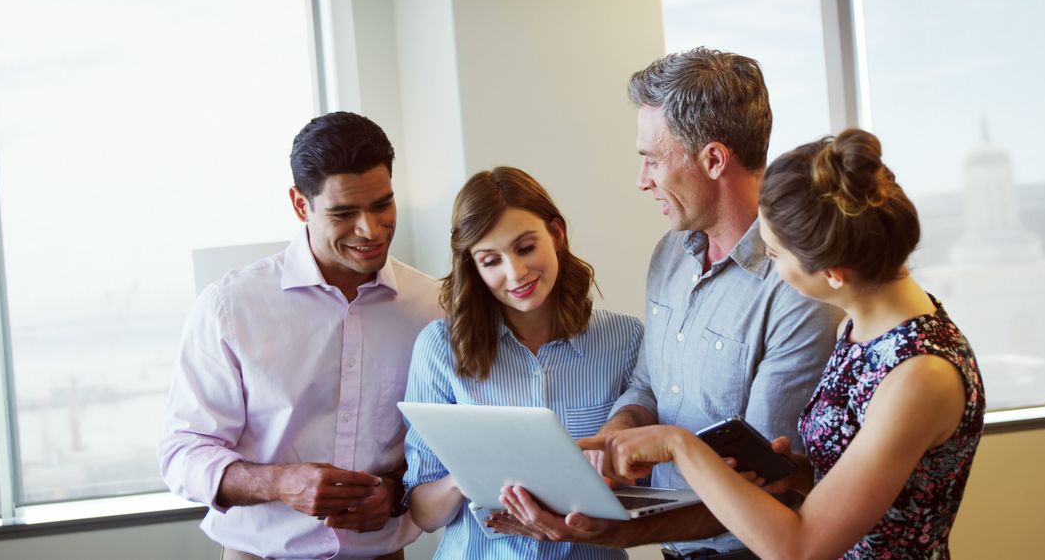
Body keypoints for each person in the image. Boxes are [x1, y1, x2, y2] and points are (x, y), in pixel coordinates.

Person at [490, 47, 844, 558]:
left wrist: (614, 535)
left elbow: (770, 484)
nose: (642, 179)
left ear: (714, 159)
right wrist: (612, 439)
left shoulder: (799, 289)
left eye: (652, 159)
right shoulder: (670, 254)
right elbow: (648, 384)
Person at [591, 129, 985, 559]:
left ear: (833, 272)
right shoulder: (858, 331)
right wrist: (792, 474)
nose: (771, 270)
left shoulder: (921, 374)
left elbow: (800, 548)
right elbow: (855, 479)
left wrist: (678, 445)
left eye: (776, 256)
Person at [158, 111, 442, 560]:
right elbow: (183, 453)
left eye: (382, 204)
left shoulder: (434, 306)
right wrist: (280, 483)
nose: (370, 229)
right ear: (299, 204)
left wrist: (395, 492)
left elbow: (444, 444)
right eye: (344, 212)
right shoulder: (230, 307)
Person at [402, 166, 644, 559]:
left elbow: (643, 477)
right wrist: (467, 474)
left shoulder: (625, 340)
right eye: (490, 260)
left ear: (557, 234)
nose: (515, 273)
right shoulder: (439, 348)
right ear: (474, 267)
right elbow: (423, 513)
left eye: (526, 247)